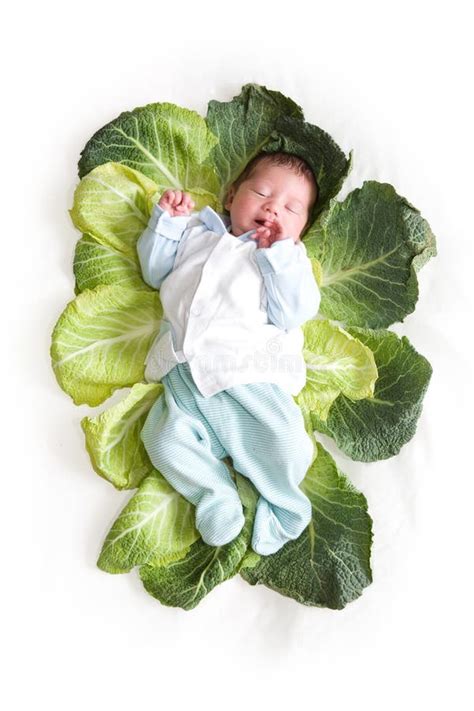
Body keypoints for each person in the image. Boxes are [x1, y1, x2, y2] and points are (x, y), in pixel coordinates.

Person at [136, 152, 321, 555]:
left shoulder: (287, 264)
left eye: (291, 209)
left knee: (287, 444)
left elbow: (295, 312)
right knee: (161, 438)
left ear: (301, 231)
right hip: (183, 371)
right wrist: (166, 224)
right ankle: (214, 495)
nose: (272, 207)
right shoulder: (197, 235)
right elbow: (154, 272)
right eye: (261, 192)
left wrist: (280, 256)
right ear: (231, 195)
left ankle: (286, 505)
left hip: (248, 376)